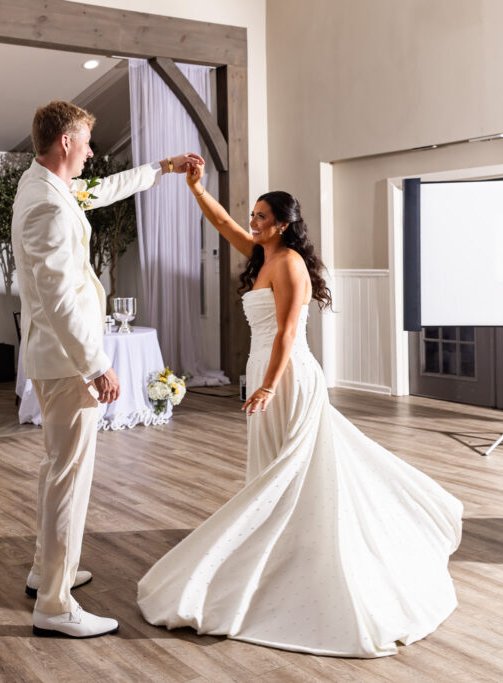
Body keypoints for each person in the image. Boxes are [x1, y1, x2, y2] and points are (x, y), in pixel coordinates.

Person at [137, 162, 463, 657]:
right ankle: (278, 549)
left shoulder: (289, 263)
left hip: (288, 377)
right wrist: (196, 188)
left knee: (289, 469)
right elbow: (223, 223)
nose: (253, 222)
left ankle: (302, 554)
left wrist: (268, 386)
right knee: (272, 469)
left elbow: (288, 332)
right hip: (264, 373)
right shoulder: (261, 255)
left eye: (262, 217)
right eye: (254, 215)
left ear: (283, 224)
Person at [13, 100, 203, 638]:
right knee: (69, 478)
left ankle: (46, 571)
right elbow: (58, 298)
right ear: (65, 142)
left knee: (58, 470)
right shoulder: (47, 206)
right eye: (86, 142)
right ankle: (54, 604)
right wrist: (97, 365)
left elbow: (102, 190)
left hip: (55, 357)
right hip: (67, 362)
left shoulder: (43, 185)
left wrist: (162, 169)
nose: (92, 152)